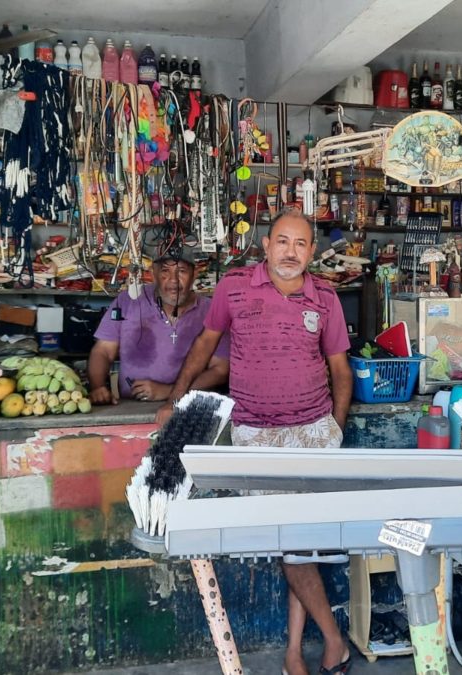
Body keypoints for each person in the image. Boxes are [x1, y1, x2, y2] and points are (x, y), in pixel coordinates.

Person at [158, 210, 353, 675]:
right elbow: (205, 344)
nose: (290, 252)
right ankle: (333, 640)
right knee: (290, 540)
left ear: (311, 252)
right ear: (266, 246)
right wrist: (174, 397)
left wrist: (336, 431)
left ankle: (291, 653)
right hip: (256, 435)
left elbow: (341, 371)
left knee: (298, 543)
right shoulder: (234, 287)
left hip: (312, 432)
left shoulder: (324, 297)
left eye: (301, 244)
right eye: (282, 241)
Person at [87, 249, 229, 405]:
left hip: (190, 407)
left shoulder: (210, 310)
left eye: (181, 271)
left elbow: (220, 369)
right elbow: (103, 350)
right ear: (153, 273)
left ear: (194, 274)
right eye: (165, 271)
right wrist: (98, 387)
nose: (173, 280)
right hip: (132, 406)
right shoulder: (128, 301)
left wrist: (169, 392)